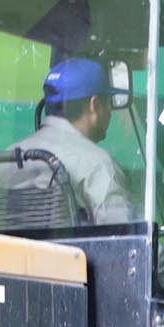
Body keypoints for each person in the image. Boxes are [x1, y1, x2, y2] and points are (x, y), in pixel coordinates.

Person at [22, 57, 135, 224]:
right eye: (109, 103)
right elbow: (124, 239)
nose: (111, 112)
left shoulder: (3, 161)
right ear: (94, 105)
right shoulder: (98, 165)